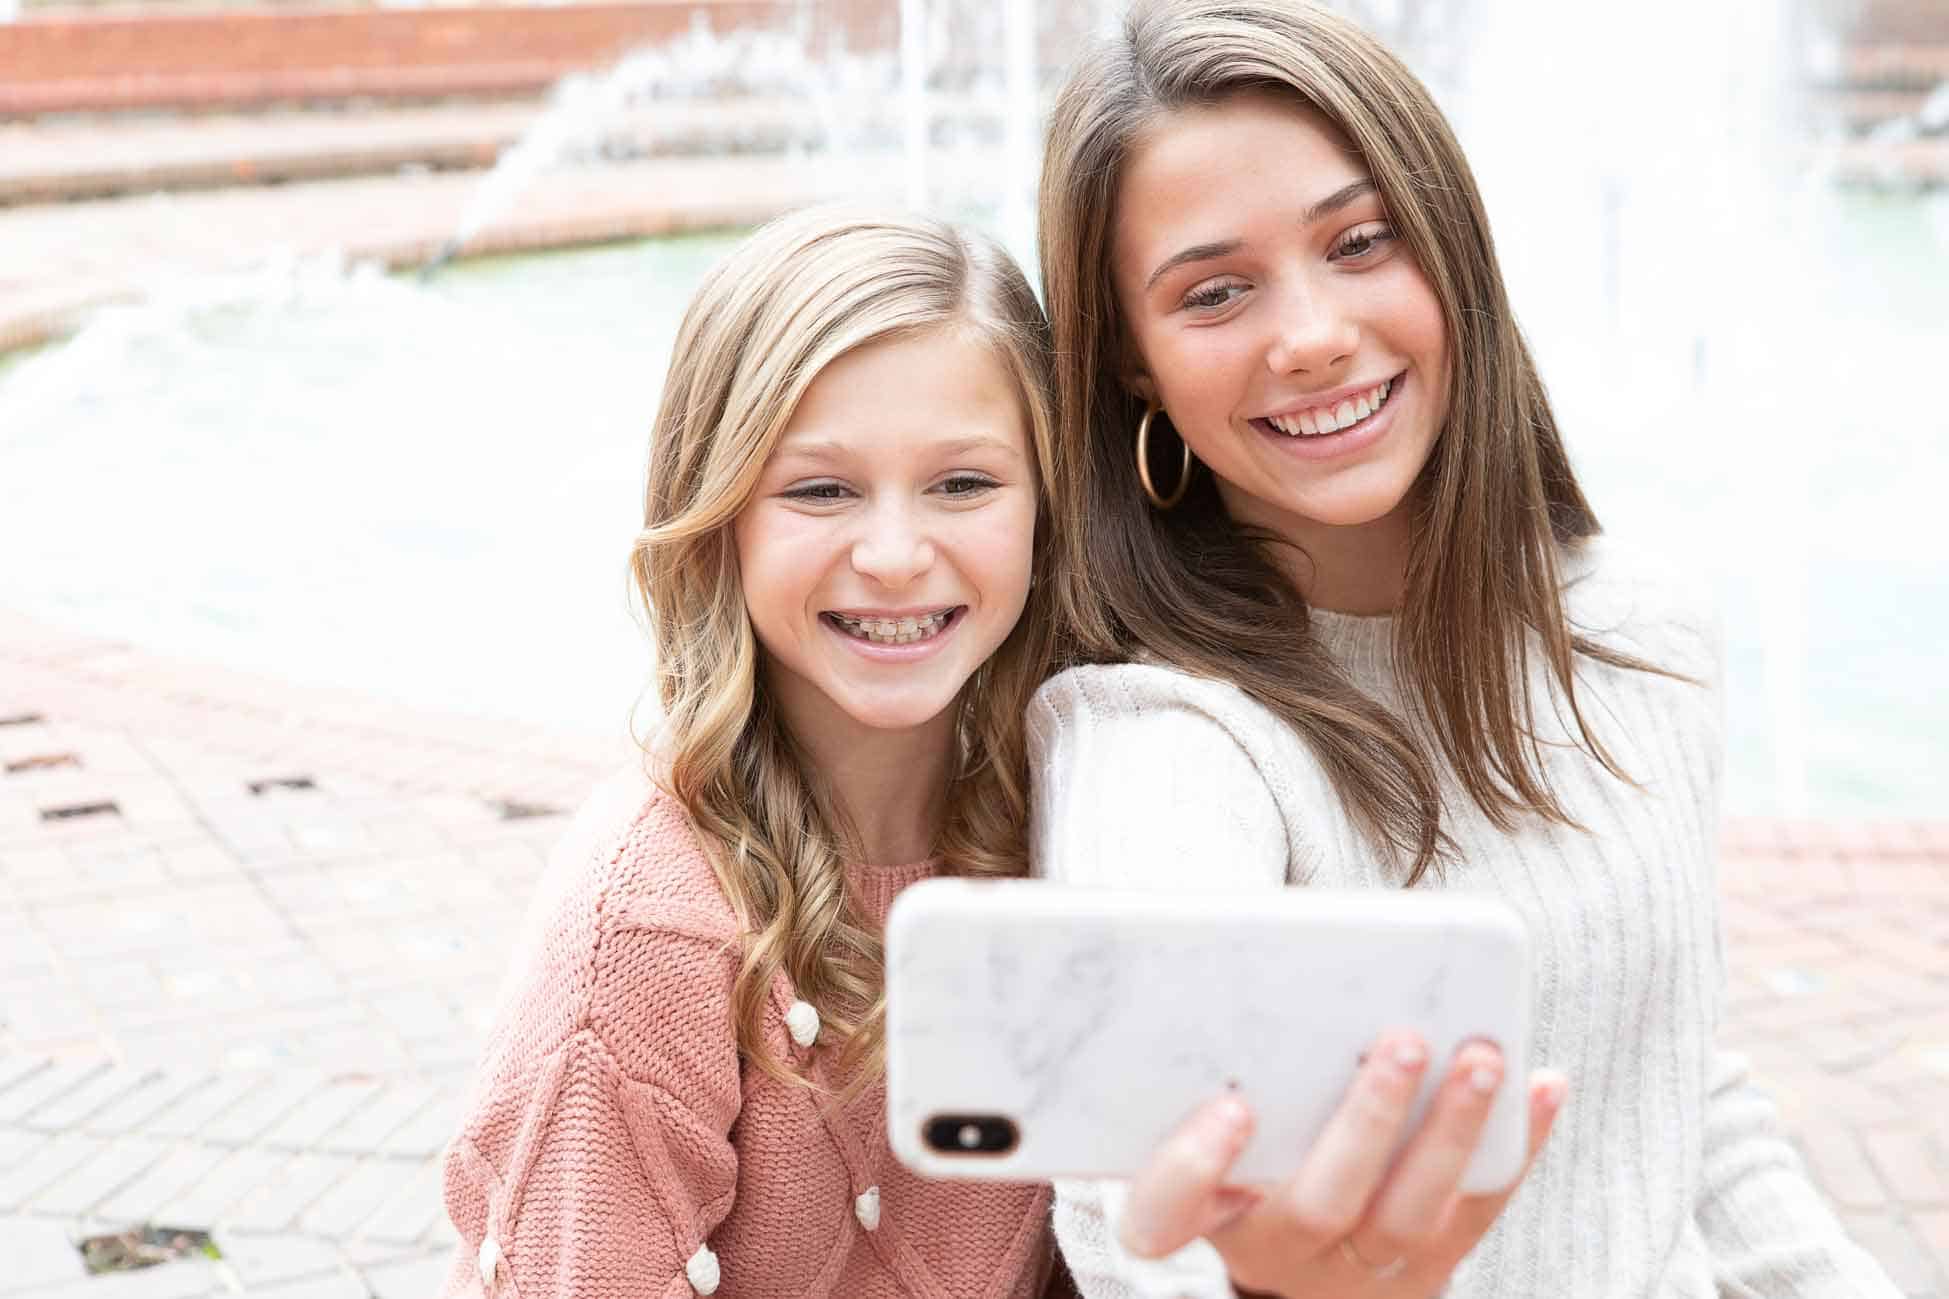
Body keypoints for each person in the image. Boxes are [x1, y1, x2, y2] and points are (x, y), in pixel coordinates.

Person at [1028, 3, 1902, 1297]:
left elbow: (1673, 1092)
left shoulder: (1638, 636)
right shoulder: (1163, 743)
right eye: (1214, 291)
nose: (1312, 331)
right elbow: (1134, 1221)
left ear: (1453, 249)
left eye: (1360, 240)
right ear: (1137, 373)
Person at [436, 206, 1070, 1298]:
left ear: (1047, 511)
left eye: (962, 483)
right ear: (716, 513)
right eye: (819, 489)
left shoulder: (1079, 822)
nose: (893, 554)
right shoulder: (649, 932)